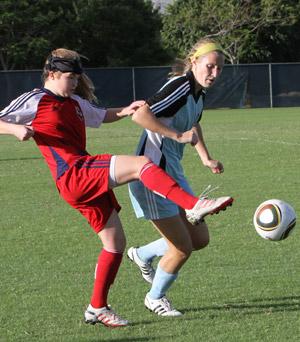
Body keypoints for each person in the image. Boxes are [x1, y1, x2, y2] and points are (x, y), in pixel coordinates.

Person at [0, 48, 232, 327]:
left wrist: (124, 110)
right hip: (74, 173)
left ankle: (97, 308)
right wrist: (14, 129)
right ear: (51, 75)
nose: (74, 84)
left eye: (76, 79)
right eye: (70, 78)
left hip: (82, 180)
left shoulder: (73, 102)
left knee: (115, 245)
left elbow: (101, 115)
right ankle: (193, 204)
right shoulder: (36, 100)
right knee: (141, 165)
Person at [127, 38, 233, 316]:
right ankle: (155, 298)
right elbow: (140, 115)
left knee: (199, 239)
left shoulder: (198, 93)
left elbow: (193, 122)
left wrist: (205, 157)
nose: (214, 73)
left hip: (174, 173)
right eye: (210, 67)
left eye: (219, 69)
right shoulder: (181, 86)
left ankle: (143, 254)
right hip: (152, 177)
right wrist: (176, 135)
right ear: (194, 62)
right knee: (182, 247)